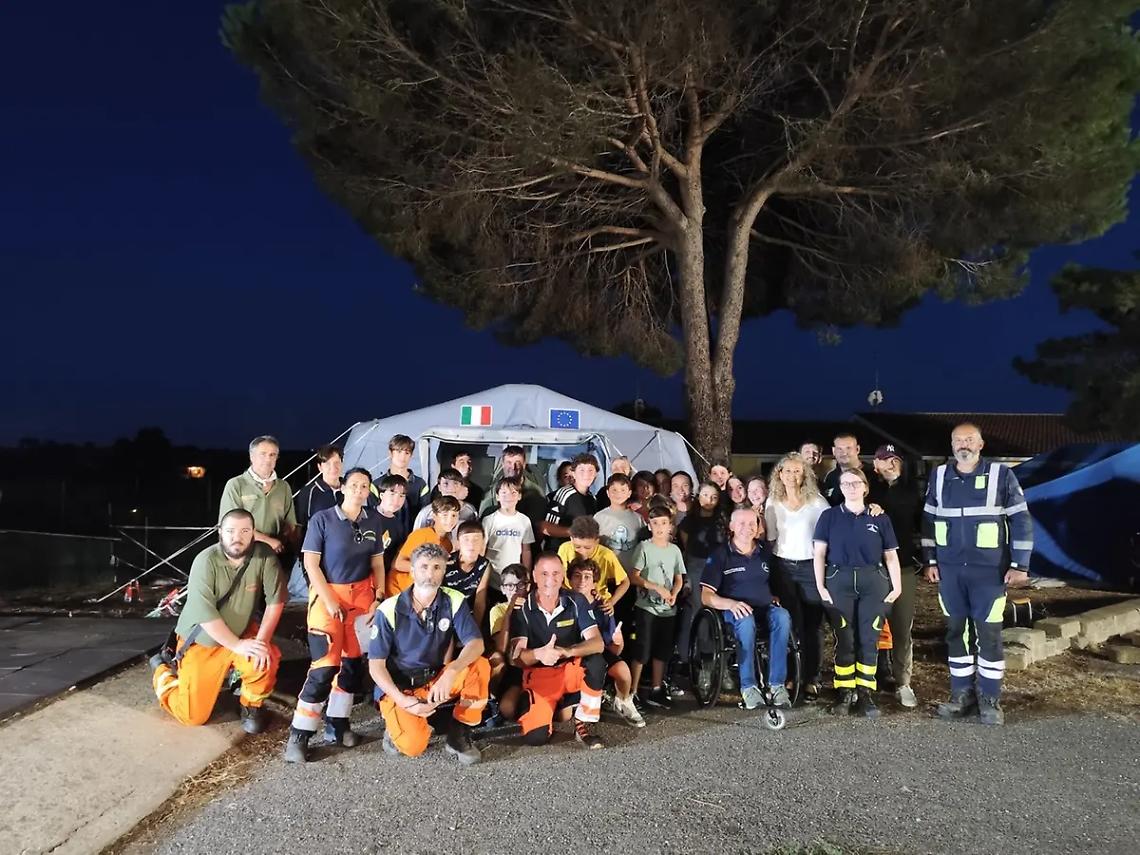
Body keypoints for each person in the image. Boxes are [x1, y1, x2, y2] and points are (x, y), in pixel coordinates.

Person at [922, 423, 1033, 726]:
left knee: (989, 635)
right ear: (952, 444)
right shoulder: (940, 475)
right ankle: (961, 695)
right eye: (958, 440)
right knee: (956, 633)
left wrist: (1020, 565)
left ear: (981, 444)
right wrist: (930, 560)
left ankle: (989, 699)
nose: (963, 444)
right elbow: (929, 521)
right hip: (951, 572)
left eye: (969, 439)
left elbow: (1021, 520)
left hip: (989, 573)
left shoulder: (1001, 475)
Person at [284, 468, 386, 761]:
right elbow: (311, 564)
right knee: (324, 667)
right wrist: (328, 600)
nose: (358, 490)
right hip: (328, 598)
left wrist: (378, 597)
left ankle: (338, 726)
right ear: (342, 487)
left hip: (363, 600)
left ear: (369, 491)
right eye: (353, 484)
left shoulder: (373, 520)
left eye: (364, 486)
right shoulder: (323, 519)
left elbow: (377, 563)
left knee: (353, 666)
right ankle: (300, 734)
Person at [149, 509, 284, 730]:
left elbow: (275, 602)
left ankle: (251, 705)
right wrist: (238, 645)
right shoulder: (205, 561)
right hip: (204, 640)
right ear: (220, 532)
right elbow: (206, 614)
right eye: (230, 531)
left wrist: (261, 641)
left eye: (244, 531)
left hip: (241, 631)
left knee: (265, 657)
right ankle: (161, 670)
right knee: (192, 716)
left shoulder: (265, 557)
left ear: (253, 534)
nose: (236, 537)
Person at [368, 543, 489, 764]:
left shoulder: (454, 599)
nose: (430, 573)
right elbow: (376, 665)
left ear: (444, 572)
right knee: (414, 747)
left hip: (436, 679)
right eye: (423, 567)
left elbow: (476, 644)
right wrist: (402, 700)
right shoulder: (388, 609)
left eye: (436, 567)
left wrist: (452, 670)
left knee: (479, 666)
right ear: (412, 571)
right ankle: (396, 725)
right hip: (401, 686)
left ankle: (458, 735)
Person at [813, 467, 903, 718]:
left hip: (873, 581)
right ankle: (844, 692)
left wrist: (896, 587)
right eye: (846, 483)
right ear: (840, 488)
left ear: (865, 486)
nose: (851, 487)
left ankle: (865, 692)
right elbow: (819, 554)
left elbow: (891, 556)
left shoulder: (880, 518)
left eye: (856, 482)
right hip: (838, 580)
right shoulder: (829, 517)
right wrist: (821, 586)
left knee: (869, 638)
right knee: (845, 638)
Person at [509, 553, 608, 749]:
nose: (550, 580)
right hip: (540, 674)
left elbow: (598, 643)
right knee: (535, 738)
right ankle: (540, 704)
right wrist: (538, 654)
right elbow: (516, 659)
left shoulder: (576, 600)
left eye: (556, 573)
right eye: (544, 573)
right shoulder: (523, 607)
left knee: (596, 661)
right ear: (534, 576)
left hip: (569, 668)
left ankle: (582, 723)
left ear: (562, 576)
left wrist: (567, 651)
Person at [701, 509, 792, 709]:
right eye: (741, 523)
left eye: (752, 523)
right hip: (734, 612)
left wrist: (775, 596)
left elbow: (775, 584)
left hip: (764, 608)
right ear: (731, 527)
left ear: (758, 527)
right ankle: (748, 686)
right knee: (745, 620)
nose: (747, 528)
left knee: (783, 617)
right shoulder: (720, 555)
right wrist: (731, 604)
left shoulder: (765, 552)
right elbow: (706, 596)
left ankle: (777, 685)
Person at [765, 453, 830, 701]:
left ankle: (812, 678)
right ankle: (792, 675)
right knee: (791, 624)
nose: (792, 476)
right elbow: (770, 539)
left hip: (811, 567)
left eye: (797, 471)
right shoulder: (773, 502)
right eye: (788, 471)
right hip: (783, 568)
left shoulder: (817, 503)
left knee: (812, 626)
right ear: (779, 474)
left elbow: (827, 537)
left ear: (805, 474)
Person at [868, 444, 923, 708]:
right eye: (882, 459)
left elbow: (922, 525)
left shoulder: (913, 491)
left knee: (902, 627)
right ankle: (866, 682)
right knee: (869, 627)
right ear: (875, 465)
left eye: (893, 459)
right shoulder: (868, 489)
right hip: (872, 569)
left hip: (903, 568)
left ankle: (903, 682)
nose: (888, 463)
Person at [568, 558, 645, 728]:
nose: (582, 581)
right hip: (573, 653)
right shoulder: (565, 603)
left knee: (623, 671)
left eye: (587, 577)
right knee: (564, 714)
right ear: (569, 579)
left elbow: (614, 650)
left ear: (595, 582)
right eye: (577, 576)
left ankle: (623, 700)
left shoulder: (603, 607)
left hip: (599, 652)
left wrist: (618, 642)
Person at [628, 506, 686, 710]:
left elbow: (679, 577)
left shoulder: (675, 550)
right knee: (642, 650)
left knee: (662, 651)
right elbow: (634, 576)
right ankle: (632, 691)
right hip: (647, 607)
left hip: (667, 609)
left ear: (670, 525)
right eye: (655, 523)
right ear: (649, 525)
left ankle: (656, 688)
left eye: (664, 523)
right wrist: (655, 587)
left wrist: (674, 593)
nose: (660, 527)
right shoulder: (644, 548)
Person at [218, 435, 297, 556]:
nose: (268, 459)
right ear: (251, 457)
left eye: (272, 455)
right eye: (263, 454)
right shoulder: (236, 485)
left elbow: (290, 523)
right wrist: (268, 541)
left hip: (275, 555)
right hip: (244, 554)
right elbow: (230, 527)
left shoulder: (283, 487)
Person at [676, 481, 727, 656]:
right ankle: (697, 656)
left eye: (714, 497)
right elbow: (687, 545)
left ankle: (715, 657)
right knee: (699, 608)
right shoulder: (689, 521)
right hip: (697, 566)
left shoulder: (722, 520)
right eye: (705, 495)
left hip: (719, 567)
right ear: (698, 496)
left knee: (717, 611)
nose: (709, 500)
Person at [288, 444, 344, 601]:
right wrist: (302, 556)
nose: (333, 468)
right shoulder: (309, 492)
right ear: (320, 467)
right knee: (317, 597)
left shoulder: (348, 489)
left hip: (343, 556)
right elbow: (301, 526)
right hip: (317, 555)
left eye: (337, 463)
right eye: (327, 463)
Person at [555, 516, 631, 615]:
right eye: (577, 547)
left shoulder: (606, 555)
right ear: (571, 538)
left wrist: (611, 602)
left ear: (597, 541)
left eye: (587, 547)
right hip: (570, 602)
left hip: (598, 604)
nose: (582, 552)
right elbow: (557, 578)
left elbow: (625, 582)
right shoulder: (564, 549)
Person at [388, 496, 460, 598]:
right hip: (399, 589)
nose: (450, 520)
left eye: (454, 515)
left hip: (422, 592)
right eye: (444, 515)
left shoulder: (448, 544)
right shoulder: (421, 535)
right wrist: (428, 568)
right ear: (434, 516)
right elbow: (398, 564)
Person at [480, 445, 548, 539]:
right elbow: (484, 519)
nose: (513, 467)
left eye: (518, 463)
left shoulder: (536, 492)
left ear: (524, 465)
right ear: (502, 464)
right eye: (509, 462)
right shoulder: (491, 491)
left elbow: (538, 526)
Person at [489, 563, 529, 721]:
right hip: (511, 666)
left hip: (531, 662)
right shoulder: (498, 610)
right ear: (503, 588)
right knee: (508, 710)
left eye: (521, 585)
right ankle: (491, 700)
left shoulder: (534, 606)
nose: (515, 590)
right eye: (510, 585)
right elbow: (501, 646)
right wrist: (510, 610)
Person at [481, 475, 536, 586]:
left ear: (519, 496)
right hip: (491, 576)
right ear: (497, 496)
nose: (508, 497)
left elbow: (526, 550)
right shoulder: (489, 520)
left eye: (513, 493)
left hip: (514, 578)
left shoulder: (524, 520)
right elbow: (482, 549)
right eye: (504, 493)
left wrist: (527, 574)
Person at [542, 453, 599, 551]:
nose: (586, 474)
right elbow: (545, 527)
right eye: (582, 470)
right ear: (573, 473)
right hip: (559, 553)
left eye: (590, 470)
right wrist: (572, 532)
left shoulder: (592, 499)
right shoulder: (564, 493)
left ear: (596, 474)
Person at [593, 473, 646, 569]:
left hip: (630, 572)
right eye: (614, 490)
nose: (618, 494)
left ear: (629, 493)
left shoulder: (638, 518)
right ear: (608, 493)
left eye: (623, 490)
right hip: (606, 571)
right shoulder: (599, 517)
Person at [445, 521, 492, 626]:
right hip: (445, 613)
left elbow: (480, 599)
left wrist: (474, 629)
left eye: (476, 539)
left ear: (483, 542)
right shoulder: (447, 562)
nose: (471, 544)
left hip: (467, 615)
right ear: (458, 542)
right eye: (466, 539)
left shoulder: (484, 564)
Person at [412, 467, 478, 533]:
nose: (451, 488)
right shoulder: (427, 512)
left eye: (455, 483)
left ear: (461, 486)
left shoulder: (470, 510)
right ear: (439, 487)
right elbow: (416, 535)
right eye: (446, 484)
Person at [383, 434, 430, 519]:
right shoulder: (377, 484)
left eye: (407, 453)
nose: (402, 457)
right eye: (399, 451)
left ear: (411, 455)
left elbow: (425, 514)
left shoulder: (420, 484)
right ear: (390, 453)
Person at [373, 474, 410, 574]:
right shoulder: (367, 516)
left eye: (402, 496)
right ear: (381, 495)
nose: (396, 500)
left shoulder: (399, 525)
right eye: (392, 494)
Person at [822, 433, 863, 507]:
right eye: (839, 449)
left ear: (857, 449)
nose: (844, 453)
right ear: (834, 451)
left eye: (848, 448)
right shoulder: (831, 477)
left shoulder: (872, 474)